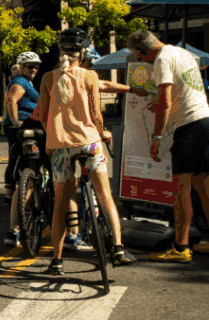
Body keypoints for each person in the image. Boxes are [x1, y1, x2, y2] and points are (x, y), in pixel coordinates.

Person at [31, 27, 135, 275]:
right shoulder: (89, 77)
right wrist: (102, 133)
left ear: (61, 51)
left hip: (59, 146)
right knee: (105, 195)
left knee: (61, 203)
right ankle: (118, 248)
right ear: (83, 52)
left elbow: (42, 116)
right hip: (88, 142)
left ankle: (56, 261)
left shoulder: (47, 78)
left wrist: (53, 136)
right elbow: (96, 114)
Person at [127, 28, 209, 261]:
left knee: (181, 189)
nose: (141, 60)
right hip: (206, 120)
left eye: (139, 56)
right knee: (204, 184)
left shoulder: (161, 60)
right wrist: (160, 104)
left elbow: (166, 103)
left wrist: (157, 139)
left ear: (143, 51)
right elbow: (181, 92)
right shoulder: (180, 52)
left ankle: (180, 249)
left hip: (189, 125)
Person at [2, 52, 42, 246]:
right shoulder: (20, 81)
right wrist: (17, 121)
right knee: (30, 168)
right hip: (24, 128)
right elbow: (11, 100)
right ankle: (16, 228)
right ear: (21, 67)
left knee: (19, 164)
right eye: (30, 66)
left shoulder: (25, 81)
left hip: (24, 126)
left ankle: (12, 191)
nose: (33, 69)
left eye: (36, 66)